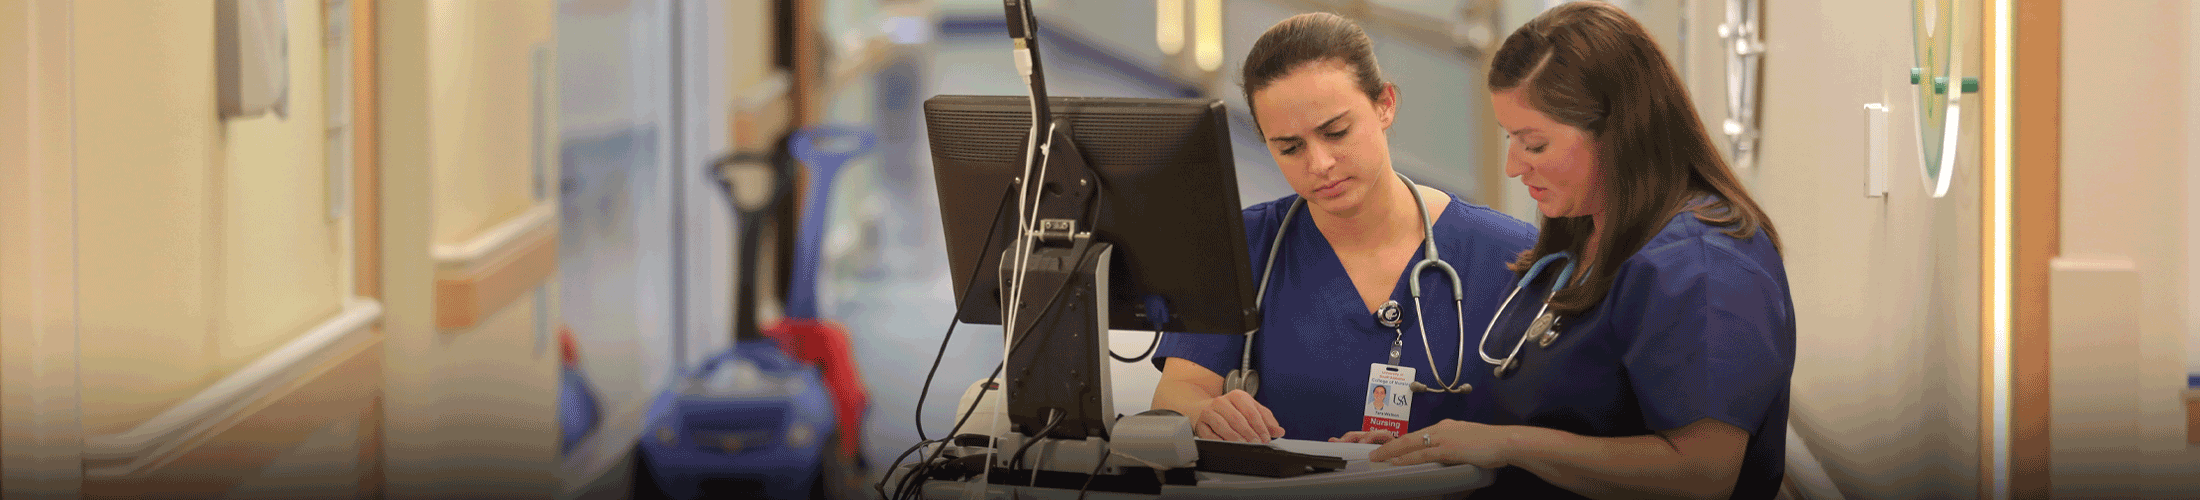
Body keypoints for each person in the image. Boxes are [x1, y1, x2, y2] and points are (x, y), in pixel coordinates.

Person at [1356, 3, 1798, 499]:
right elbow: (1555, 412)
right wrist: (1431, 447)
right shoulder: (1580, 237)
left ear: (1618, 132)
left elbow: (1703, 474)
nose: (1512, 166)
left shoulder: (1703, 267)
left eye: (1535, 144)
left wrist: (1506, 445)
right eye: (1510, 138)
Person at [1149, 12, 1537, 444]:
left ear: (1385, 104)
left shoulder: (1510, 255)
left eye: (1335, 132)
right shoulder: (1241, 247)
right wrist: (1204, 411)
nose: (1320, 165)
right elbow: (1178, 393)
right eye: (1290, 148)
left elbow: (1558, 431)